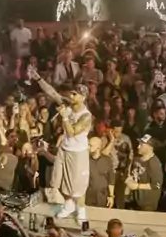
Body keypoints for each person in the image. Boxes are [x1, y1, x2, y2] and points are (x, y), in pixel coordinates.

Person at [31, 67, 91, 220]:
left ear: (83, 97)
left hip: (78, 153)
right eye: (71, 93)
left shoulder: (86, 116)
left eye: (75, 94)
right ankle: (69, 205)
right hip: (64, 149)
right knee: (59, 181)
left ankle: (81, 210)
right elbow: (51, 93)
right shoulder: (68, 105)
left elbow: (72, 132)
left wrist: (64, 117)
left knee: (77, 186)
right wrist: (38, 78)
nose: (71, 96)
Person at [125, 138, 163, 211]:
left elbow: (157, 184)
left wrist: (137, 186)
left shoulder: (154, 163)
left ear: (149, 147)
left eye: (141, 144)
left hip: (147, 203)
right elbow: (133, 173)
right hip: (135, 199)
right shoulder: (137, 159)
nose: (138, 147)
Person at [85, 136, 116, 208]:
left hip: (102, 196)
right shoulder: (85, 160)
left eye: (90, 145)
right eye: (88, 145)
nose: (88, 147)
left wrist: (111, 196)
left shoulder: (107, 160)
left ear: (98, 147)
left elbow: (111, 179)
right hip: (88, 196)